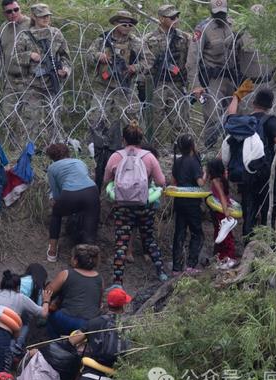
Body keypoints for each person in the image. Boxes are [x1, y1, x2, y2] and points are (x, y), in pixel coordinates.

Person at [87, 10, 148, 187]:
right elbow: (88, 56)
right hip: (103, 87)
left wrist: (133, 68)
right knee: (96, 117)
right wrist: (99, 56)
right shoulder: (102, 40)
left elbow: (147, 62)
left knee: (132, 120)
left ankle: (134, 150)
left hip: (125, 87)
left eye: (130, 24)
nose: (127, 27)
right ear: (116, 24)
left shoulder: (136, 42)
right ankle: (98, 150)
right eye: (123, 23)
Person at [103, 121, 168, 283]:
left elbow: (106, 180)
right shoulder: (149, 157)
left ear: (123, 139)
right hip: (144, 205)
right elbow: (161, 181)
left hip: (122, 206)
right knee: (149, 239)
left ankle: (117, 281)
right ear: (141, 139)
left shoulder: (116, 156)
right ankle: (161, 272)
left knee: (121, 243)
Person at [225, 87, 276, 241]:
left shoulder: (245, 122)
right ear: (270, 106)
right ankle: (269, 246)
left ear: (253, 103)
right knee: (269, 210)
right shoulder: (270, 121)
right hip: (266, 174)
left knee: (249, 210)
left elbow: (230, 116)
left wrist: (236, 97)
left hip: (247, 172)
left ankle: (248, 245)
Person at [0, 270, 52, 380]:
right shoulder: (21, 298)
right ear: (17, 287)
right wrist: (46, 300)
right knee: (1, 375)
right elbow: (43, 313)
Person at [186, 0, 244, 149]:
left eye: (223, 13)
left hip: (232, 77)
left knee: (234, 115)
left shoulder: (234, 25)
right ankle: (210, 150)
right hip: (213, 79)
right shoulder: (203, 29)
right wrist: (196, 85)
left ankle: (232, 148)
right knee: (212, 116)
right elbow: (192, 60)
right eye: (217, 13)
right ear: (211, 12)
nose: (220, 16)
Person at [14, 3, 71, 144]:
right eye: (42, 16)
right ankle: (28, 152)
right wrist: (29, 55)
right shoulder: (25, 36)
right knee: (31, 120)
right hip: (33, 86)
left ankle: (56, 150)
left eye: (47, 16)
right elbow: (15, 57)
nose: (46, 19)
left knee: (54, 118)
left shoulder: (56, 34)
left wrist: (64, 70)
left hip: (53, 84)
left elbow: (65, 57)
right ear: (34, 17)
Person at [73, 287, 132, 380]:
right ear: (123, 307)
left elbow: (72, 340)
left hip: (87, 379)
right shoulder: (128, 327)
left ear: (107, 304)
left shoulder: (93, 322)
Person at [44, 143, 100, 262]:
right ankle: (90, 261)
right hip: (92, 192)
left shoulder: (52, 168)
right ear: (67, 152)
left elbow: (56, 195)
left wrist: (56, 203)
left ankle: (52, 250)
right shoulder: (80, 162)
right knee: (90, 225)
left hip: (70, 194)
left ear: (52, 157)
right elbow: (86, 177)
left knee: (56, 213)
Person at [0, 0, 32, 144]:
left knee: (30, 116)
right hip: (10, 80)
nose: (13, 13)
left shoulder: (31, 24)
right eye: (9, 11)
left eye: (16, 9)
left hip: (30, 78)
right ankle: (15, 147)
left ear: (20, 9)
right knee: (9, 116)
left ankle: (30, 147)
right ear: (4, 13)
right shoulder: (3, 28)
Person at [144, 4, 191, 136]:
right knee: (154, 122)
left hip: (177, 84)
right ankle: (152, 152)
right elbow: (144, 62)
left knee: (179, 121)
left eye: (177, 16)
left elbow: (192, 60)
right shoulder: (149, 39)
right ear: (161, 19)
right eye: (171, 17)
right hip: (157, 84)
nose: (175, 19)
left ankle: (181, 151)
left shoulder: (185, 38)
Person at [46, 244, 103, 338]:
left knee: (51, 319)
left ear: (76, 260)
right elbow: (98, 303)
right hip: (88, 324)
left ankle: (54, 344)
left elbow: (48, 291)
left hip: (66, 318)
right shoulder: (99, 278)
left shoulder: (66, 273)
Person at [171, 135, 206, 274]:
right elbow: (200, 183)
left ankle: (176, 268)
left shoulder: (177, 162)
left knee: (179, 233)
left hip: (179, 202)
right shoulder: (194, 162)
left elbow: (173, 183)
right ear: (192, 146)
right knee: (197, 233)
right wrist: (205, 173)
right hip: (192, 203)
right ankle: (191, 265)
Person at [206, 159, 238, 269]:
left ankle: (229, 257)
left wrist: (226, 212)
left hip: (222, 211)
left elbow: (222, 196)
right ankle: (222, 257)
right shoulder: (224, 177)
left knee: (224, 235)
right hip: (222, 209)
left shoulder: (216, 181)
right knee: (221, 233)